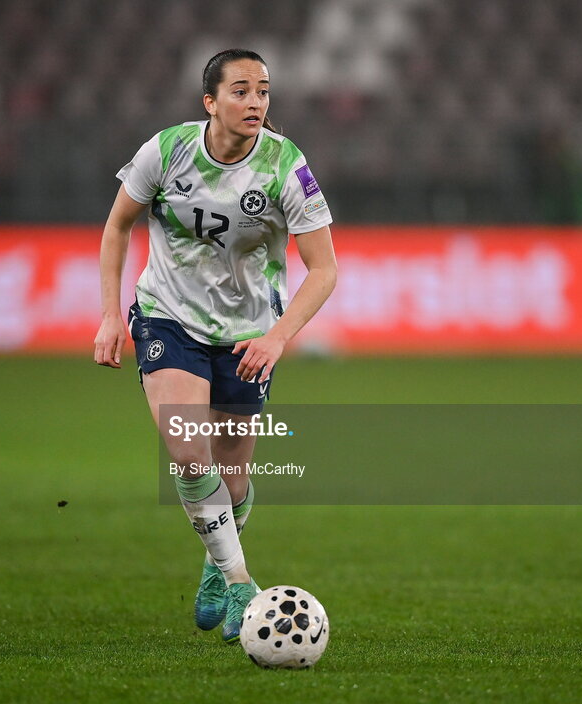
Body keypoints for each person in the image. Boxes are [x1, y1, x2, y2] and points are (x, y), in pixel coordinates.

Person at [94, 49, 337, 643]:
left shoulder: (286, 166)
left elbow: (324, 269)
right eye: (241, 91)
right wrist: (108, 315)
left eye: (263, 92)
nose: (255, 102)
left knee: (230, 482)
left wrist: (278, 338)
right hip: (167, 316)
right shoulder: (168, 150)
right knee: (187, 451)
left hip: (248, 334)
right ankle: (239, 580)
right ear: (210, 102)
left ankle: (212, 564)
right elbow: (117, 226)